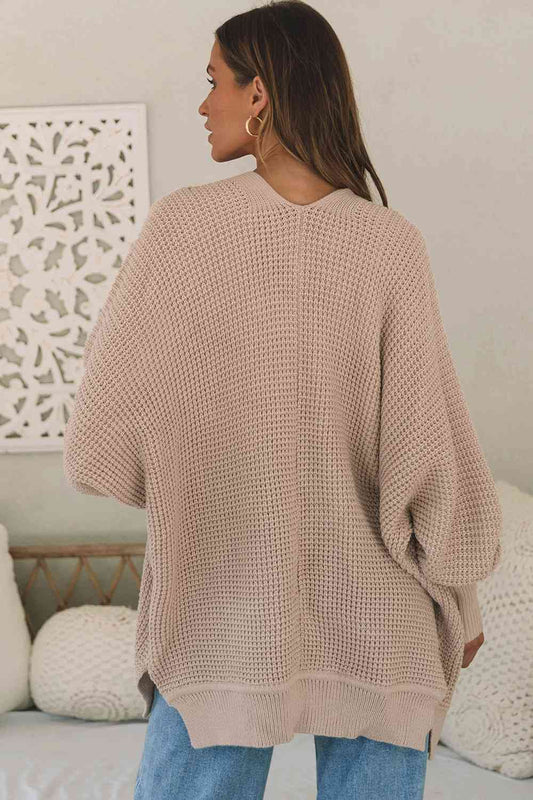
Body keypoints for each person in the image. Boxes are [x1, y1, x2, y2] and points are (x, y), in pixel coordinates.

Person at [63, 2, 502, 798]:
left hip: (217, 614)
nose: (204, 105)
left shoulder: (182, 228)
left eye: (214, 82)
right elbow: (427, 449)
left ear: (258, 93)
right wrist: (458, 598)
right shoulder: (388, 243)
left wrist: (197, 489)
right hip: (382, 623)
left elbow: (101, 436)